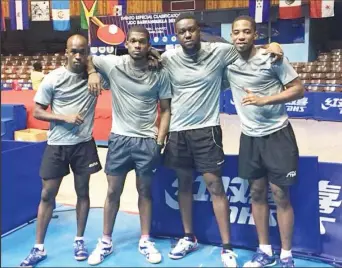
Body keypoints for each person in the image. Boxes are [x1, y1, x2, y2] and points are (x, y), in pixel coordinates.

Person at [158, 13, 283, 267]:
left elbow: (247, 48)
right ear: (176, 34)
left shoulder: (219, 52)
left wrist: (273, 45)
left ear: (198, 30)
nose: (188, 35)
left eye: (192, 30)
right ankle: (188, 236)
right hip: (178, 132)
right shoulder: (167, 58)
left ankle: (226, 247)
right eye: (182, 32)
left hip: (207, 130)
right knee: (183, 185)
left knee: (215, 186)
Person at [222, 16, 304, 268]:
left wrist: (265, 100)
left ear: (255, 35)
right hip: (249, 137)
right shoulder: (228, 62)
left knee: (280, 195)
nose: (241, 37)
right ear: (232, 36)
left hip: (278, 134)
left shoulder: (272, 58)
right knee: (256, 193)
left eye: (246, 32)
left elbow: (298, 88)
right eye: (236, 32)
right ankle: (265, 251)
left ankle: (286, 254)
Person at [86, 26, 172, 265]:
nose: (137, 45)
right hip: (120, 140)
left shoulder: (160, 72)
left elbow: (165, 110)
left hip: (147, 141)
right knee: (113, 192)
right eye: (133, 41)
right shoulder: (114, 64)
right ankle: (105, 241)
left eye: (142, 42)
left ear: (148, 45)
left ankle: (145, 239)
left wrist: (159, 140)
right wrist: (93, 72)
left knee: (145, 192)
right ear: (128, 44)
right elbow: (88, 57)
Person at [20, 34, 104, 267]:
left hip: (83, 144)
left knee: (83, 192)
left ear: (87, 54)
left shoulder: (96, 77)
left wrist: (93, 71)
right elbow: (37, 111)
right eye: (73, 51)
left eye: (82, 51)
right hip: (57, 144)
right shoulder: (53, 78)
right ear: (66, 53)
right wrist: (63, 117)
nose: (78, 55)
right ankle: (38, 247)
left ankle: (79, 240)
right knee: (47, 194)